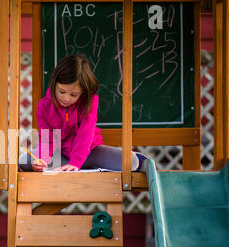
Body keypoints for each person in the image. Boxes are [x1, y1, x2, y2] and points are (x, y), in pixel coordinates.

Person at [19, 54, 148, 172]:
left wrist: (75, 163)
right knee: (25, 161)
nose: (66, 98)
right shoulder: (44, 106)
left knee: (131, 162)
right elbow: (48, 138)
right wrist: (41, 159)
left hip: (91, 152)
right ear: (54, 84)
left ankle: (84, 165)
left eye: (73, 94)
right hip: (62, 154)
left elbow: (85, 133)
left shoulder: (89, 101)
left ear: (83, 92)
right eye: (62, 91)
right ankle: (75, 166)